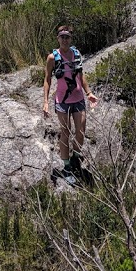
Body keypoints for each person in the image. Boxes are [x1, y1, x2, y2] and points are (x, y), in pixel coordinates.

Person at [42, 25, 98, 183]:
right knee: (65, 133)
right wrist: (45, 102)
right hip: (63, 101)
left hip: (78, 98)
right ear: (58, 38)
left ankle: (76, 158)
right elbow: (47, 80)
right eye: (62, 37)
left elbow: (81, 75)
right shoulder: (52, 58)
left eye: (67, 37)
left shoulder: (76, 54)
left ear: (71, 39)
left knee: (81, 131)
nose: (65, 40)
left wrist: (89, 93)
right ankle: (67, 167)